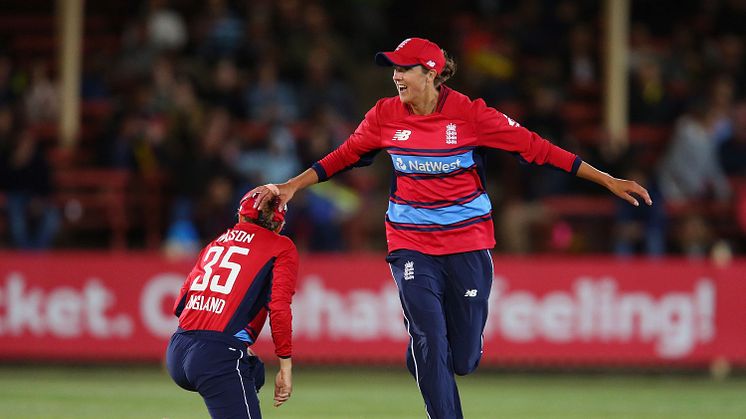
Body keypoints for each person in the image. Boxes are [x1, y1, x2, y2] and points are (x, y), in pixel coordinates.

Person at [249, 37, 652, 419]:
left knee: (461, 360)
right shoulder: (384, 115)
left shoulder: (471, 114)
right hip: (410, 244)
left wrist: (607, 179)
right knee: (429, 336)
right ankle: (427, 356)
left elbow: (538, 147)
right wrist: (290, 187)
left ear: (430, 72)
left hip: (468, 244)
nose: (395, 76)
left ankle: (424, 354)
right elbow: (342, 157)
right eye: (393, 69)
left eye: (404, 68)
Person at [166, 190, 297, 418]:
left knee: (254, 372)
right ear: (279, 224)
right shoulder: (280, 246)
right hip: (216, 356)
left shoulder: (216, 242)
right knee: (241, 368)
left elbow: (180, 304)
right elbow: (279, 307)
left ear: (241, 216)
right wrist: (285, 366)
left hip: (178, 349)